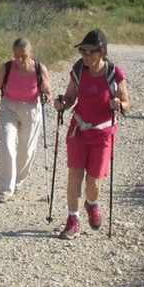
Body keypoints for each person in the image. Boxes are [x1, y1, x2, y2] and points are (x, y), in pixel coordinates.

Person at [53, 29, 130, 239]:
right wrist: (62, 104)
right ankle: (73, 220)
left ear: (102, 51)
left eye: (89, 52)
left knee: (93, 183)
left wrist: (118, 104)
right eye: (82, 51)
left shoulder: (114, 73)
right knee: (75, 176)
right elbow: (70, 98)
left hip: (103, 133)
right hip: (79, 130)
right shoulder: (78, 70)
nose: (85, 56)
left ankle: (92, 203)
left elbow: (127, 104)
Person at [0, 37, 53, 203]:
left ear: (31, 53)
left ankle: (18, 179)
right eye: (16, 56)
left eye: (24, 56)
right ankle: (5, 189)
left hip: (32, 110)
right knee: (6, 143)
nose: (20, 60)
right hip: (9, 108)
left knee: (26, 151)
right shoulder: (7, 68)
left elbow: (48, 91)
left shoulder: (39, 69)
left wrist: (46, 97)